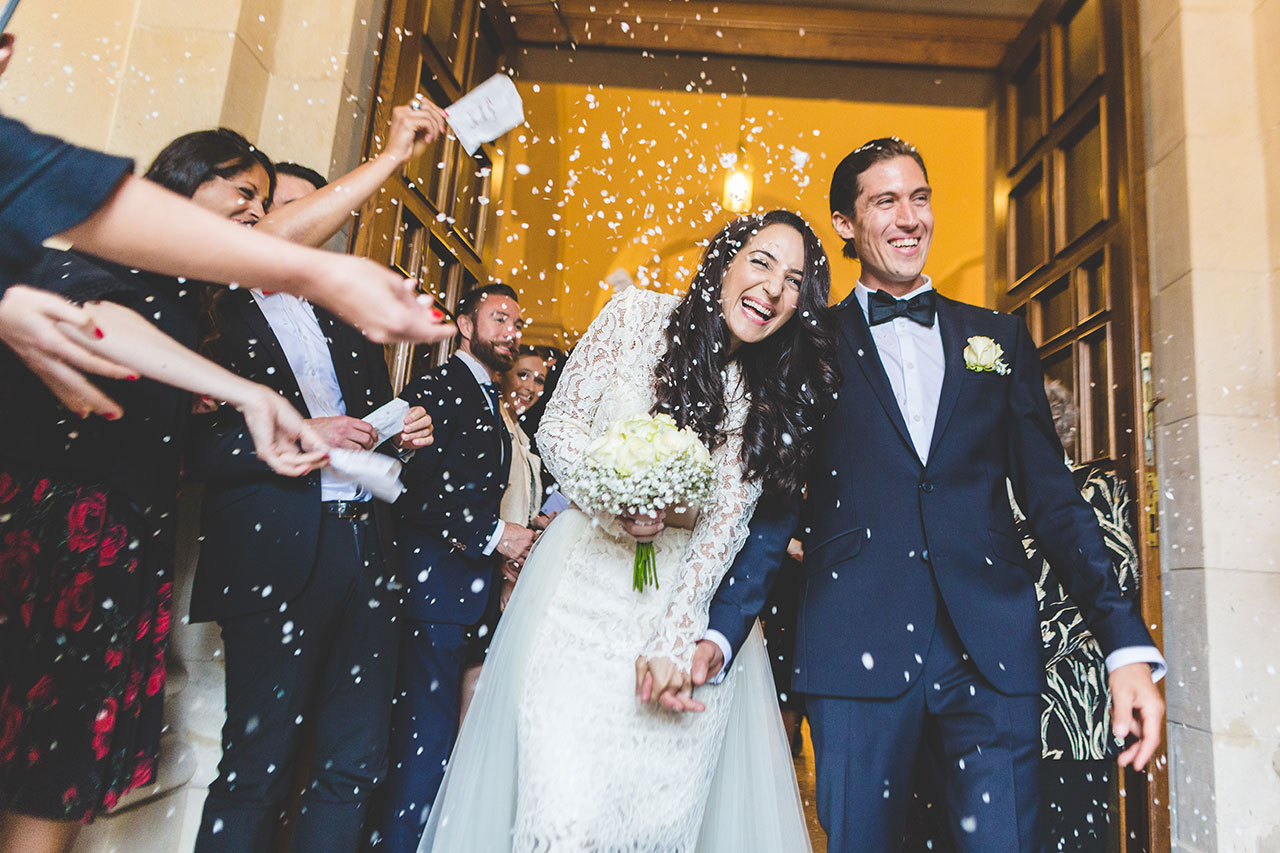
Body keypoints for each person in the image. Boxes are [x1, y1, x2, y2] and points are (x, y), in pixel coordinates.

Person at [682, 138, 1166, 852]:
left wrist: (1124, 643)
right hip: (855, 652)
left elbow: (1055, 501)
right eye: (885, 201)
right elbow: (774, 506)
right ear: (845, 224)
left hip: (991, 653)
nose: (909, 218)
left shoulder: (997, 337)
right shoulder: (808, 342)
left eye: (920, 197)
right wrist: (720, 630)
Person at [417, 210, 841, 853]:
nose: (773, 289)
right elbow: (559, 426)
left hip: (678, 600)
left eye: (795, 281)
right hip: (578, 599)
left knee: (653, 825)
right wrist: (614, 497)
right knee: (562, 819)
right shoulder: (634, 315)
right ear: (726, 260)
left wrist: (675, 641)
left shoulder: (765, 390)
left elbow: (723, 529)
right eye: (761, 262)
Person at [0, 244, 328, 853]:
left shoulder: (190, 301)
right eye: (243, 200)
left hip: (118, 539)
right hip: (48, 529)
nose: (251, 223)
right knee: (39, 751)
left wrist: (203, 398)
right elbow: (96, 320)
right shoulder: (80, 266)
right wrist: (246, 394)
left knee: (56, 765)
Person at [166, 136, 429, 852]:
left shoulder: (340, 315)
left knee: (354, 761)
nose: (279, 224)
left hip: (366, 549)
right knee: (258, 763)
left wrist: (401, 428)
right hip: (273, 549)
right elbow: (187, 442)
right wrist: (291, 431)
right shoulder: (209, 307)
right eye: (270, 207)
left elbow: (369, 416)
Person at [0, 32, 453, 421]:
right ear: (188, 177)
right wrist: (326, 274)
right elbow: (100, 310)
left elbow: (272, 244)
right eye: (245, 194)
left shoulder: (204, 285)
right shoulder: (91, 260)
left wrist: (392, 158)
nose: (259, 212)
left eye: (264, 202)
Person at [374, 283, 537, 852]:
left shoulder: (490, 398)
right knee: (424, 740)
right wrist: (495, 535)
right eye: (498, 318)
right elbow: (415, 485)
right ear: (464, 325)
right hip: (434, 588)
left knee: (446, 740)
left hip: (466, 592)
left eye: (516, 322)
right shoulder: (437, 387)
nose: (510, 331)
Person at [456, 346, 554, 722]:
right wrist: (504, 562)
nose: (530, 386)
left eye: (540, 379)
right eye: (524, 374)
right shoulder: (492, 424)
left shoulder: (522, 434)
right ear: (504, 376)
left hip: (514, 564)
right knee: (479, 668)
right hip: (491, 562)